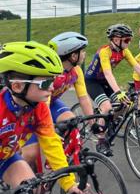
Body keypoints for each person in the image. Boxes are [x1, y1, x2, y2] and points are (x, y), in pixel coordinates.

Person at [0, 41, 85, 194]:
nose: (53, 87)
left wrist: (69, 184)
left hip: (6, 157)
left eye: (53, 80)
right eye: (46, 83)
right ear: (17, 86)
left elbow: (52, 143)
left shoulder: (39, 108)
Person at [21, 32, 95, 169]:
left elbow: (83, 98)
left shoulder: (76, 71)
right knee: (31, 153)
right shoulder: (53, 73)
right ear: (73, 56)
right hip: (34, 106)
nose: (84, 54)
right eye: (82, 51)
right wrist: (50, 131)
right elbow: (44, 104)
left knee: (72, 121)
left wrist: (93, 123)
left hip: (52, 102)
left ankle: (58, 158)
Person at [84, 24, 140, 156]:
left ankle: (109, 122)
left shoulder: (124, 51)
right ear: (116, 40)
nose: (129, 43)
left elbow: (138, 67)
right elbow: (107, 73)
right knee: (106, 108)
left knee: (126, 104)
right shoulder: (104, 51)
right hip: (92, 81)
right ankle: (101, 141)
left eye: (130, 40)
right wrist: (118, 92)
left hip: (105, 81)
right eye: (127, 40)